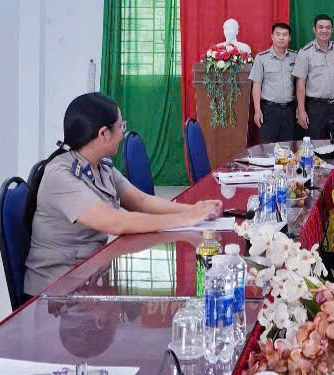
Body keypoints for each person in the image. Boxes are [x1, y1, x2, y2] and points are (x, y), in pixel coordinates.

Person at [24, 93, 222, 298]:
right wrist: (186, 219)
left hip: (88, 276)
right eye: (121, 127)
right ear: (103, 134)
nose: (122, 133)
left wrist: (195, 210)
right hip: (56, 293)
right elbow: (116, 222)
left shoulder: (102, 166)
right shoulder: (61, 175)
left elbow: (141, 201)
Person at [293, 14, 334, 140]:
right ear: (314, 29)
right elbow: (300, 83)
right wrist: (301, 110)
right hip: (315, 108)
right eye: (320, 27)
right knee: (316, 145)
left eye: (328, 28)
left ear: (332, 30)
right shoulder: (305, 52)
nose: (324, 31)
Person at [249, 21, 299, 143]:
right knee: (268, 147)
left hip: (289, 110)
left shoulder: (296, 57)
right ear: (272, 36)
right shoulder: (262, 58)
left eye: (285, 35)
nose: (281, 37)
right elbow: (256, 85)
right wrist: (257, 110)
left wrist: (299, 107)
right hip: (269, 110)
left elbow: (299, 84)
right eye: (278, 34)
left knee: (288, 147)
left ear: (289, 38)